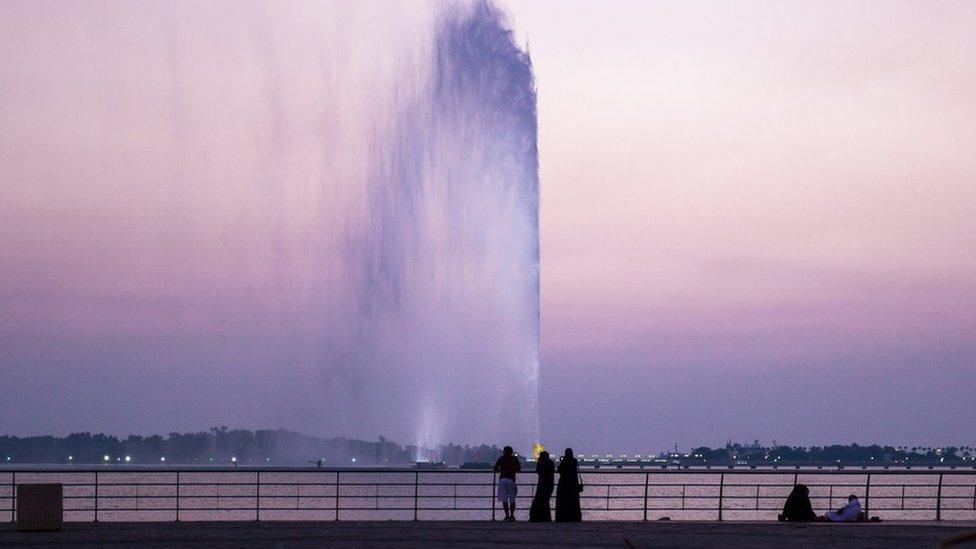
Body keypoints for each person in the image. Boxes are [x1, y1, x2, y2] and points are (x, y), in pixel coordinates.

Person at [494, 446, 521, 521]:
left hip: (502, 479)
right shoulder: (514, 459)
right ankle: (512, 516)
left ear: (504, 452)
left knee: (504, 499)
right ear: (511, 452)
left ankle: (507, 516)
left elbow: (495, 468)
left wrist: (502, 469)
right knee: (512, 498)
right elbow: (519, 469)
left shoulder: (501, 458)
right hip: (511, 479)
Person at [555, 448, 582, 522]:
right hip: (573, 484)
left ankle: (564, 517)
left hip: (564, 484)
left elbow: (559, 470)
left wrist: (562, 461)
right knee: (573, 502)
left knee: (563, 502)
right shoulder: (574, 461)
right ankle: (574, 517)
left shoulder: (565, 461)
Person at [529, 451, 554, 522]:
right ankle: (546, 518)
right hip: (549, 485)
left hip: (542, 484)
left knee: (538, 501)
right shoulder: (551, 463)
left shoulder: (541, 462)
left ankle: (537, 517)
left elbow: (538, 471)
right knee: (546, 502)